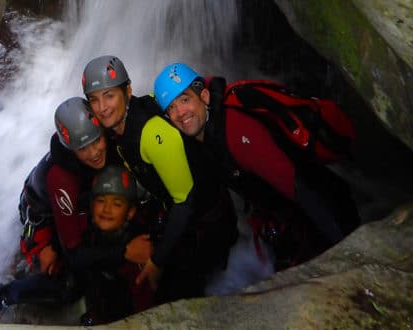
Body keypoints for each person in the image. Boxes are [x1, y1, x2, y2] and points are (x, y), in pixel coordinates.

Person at [0, 97, 152, 323]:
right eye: (83, 147)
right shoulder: (61, 180)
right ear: (70, 148)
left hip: (78, 203)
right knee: (69, 285)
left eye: (96, 141)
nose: (94, 152)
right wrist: (124, 252)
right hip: (43, 217)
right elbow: (75, 255)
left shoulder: (106, 139)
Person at [152, 62, 360, 264]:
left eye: (185, 99)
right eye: (171, 107)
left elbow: (303, 188)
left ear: (204, 96)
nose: (180, 112)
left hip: (327, 213)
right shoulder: (207, 133)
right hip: (297, 215)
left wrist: (347, 253)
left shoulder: (237, 132)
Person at [81, 55, 238, 303]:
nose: (102, 108)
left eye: (109, 95)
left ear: (128, 91)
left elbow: (185, 203)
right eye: (94, 99)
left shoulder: (152, 134)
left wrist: (157, 261)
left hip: (209, 225)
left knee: (170, 301)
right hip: (190, 214)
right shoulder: (124, 125)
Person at [81, 165, 155, 325]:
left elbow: (144, 303)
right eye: (101, 201)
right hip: (102, 304)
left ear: (130, 212)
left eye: (116, 204)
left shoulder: (137, 249)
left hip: (126, 320)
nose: (107, 209)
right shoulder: (92, 231)